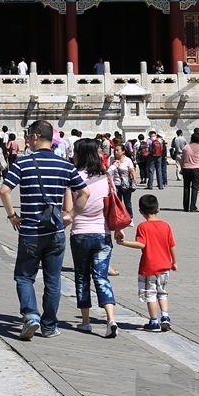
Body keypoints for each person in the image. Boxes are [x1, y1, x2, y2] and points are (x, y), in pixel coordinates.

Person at [1, 120, 87, 340]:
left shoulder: (22, 164)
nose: (27, 140)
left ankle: (31, 316)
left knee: (24, 277)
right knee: (53, 280)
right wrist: (72, 216)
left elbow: (4, 191)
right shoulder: (66, 165)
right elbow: (84, 193)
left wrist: (12, 216)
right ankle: (49, 325)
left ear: (37, 137)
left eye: (29, 136)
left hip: (30, 231)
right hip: (55, 232)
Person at [68, 138, 119, 337]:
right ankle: (111, 319)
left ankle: (86, 321)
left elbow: (68, 208)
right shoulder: (106, 176)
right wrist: (117, 229)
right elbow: (111, 204)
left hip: (80, 233)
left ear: (81, 154)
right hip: (102, 233)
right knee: (101, 276)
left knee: (82, 276)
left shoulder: (74, 177)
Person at [113, 192, 177, 331]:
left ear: (141, 211)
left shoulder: (143, 227)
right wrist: (174, 262)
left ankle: (154, 321)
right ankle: (165, 316)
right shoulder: (166, 226)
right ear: (158, 209)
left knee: (150, 294)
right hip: (165, 266)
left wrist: (124, 243)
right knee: (163, 292)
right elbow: (172, 245)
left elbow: (141, 244)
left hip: (149, 267)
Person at [108, 144, 137, 220]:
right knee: (117, 202)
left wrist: (134, 179)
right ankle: (119, 217)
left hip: (126, 184)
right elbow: (109, 171)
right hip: (115, 184)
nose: (116, 152)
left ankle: (130, 217)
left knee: (127, 203)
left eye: (118, 150)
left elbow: (132, 170)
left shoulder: (128, 160)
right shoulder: (112, 159)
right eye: (115, 150)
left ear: (123, 151)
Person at [179, 131, 199, 212]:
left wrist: (182, 168)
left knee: (186, 188)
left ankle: (185, 206)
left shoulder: (186, 147)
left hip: (186, 168)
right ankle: (192, 206)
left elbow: (182, 159)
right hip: (196, 169)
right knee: (195, 188)